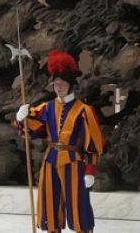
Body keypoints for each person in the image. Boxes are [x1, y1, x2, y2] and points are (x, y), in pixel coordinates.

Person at [15, 50, 105, 233]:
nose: (58, 87)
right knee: (50, 203)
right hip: (51, 161)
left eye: (62, 84)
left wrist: (90, 170)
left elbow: (93, 143)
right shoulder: (47, 107)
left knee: (78, 204)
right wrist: (21, 117)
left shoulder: (84, 110)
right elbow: (32, 127)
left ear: (71, 85)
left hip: (74, 162)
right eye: (56, 84)